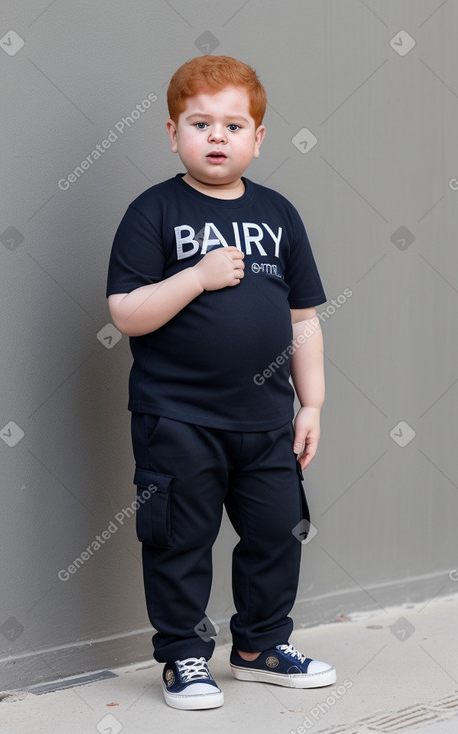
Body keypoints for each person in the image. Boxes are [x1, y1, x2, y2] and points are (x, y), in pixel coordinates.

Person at [106, 55, 336, 711]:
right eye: (200, 122)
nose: (216, 136)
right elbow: (125, 311)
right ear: (172, 131)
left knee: (276, 532)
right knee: (179, 537)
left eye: (233, 125)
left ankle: (259, 648)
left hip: (265, 420)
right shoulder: (153, 210)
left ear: (257, 138)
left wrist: (311, 403)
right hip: (176, 418)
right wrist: (197, 277)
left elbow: (303, 319)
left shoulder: (278, 214)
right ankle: (183, 654)